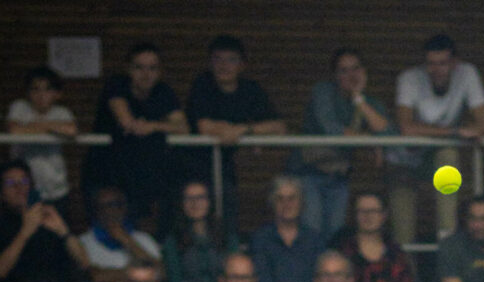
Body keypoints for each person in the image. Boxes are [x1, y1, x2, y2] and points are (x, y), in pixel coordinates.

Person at [394, 35, 484, 244]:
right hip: (404, 160)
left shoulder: (467, 73)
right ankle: (406, 262)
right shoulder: (409, 78)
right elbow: (406, 128)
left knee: (448, 156)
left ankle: (447, 239)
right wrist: (454, 132)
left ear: (455, 63)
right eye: (431, 64)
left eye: (442, 63)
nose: (436, 69)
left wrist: (465, 130)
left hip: (440, 156)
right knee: (403, 235)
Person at [185, 35, 286, 234]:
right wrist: (234, 130)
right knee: (190, 222)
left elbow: (279, 127)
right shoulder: (203, 84)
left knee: (228, 216)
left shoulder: (250, 90)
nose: (224, 66)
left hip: (224, 165)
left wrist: (244, 130)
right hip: (191, 166)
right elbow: (204, 126)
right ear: (210, 64)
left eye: (231, 60)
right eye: (218, 59)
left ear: (242, 65)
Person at [294, 49, 393, 241]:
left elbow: (387, 133)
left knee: (335, 235)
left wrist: (359, 99)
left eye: (355, 69)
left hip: (339, 177)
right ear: (335, 75)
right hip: (309, 173)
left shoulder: (367, 102)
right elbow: (332, 129)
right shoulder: (323, 91)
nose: (351, 75)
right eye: (344, 70)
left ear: (363, 72)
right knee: (312, 232)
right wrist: (370, 141)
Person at [89, 43, 186, 229]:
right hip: (106, 174)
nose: (146, 74)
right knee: (107, 231)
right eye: (139, 67)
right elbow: (127, 122)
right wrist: (156, 126)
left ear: (160, 71)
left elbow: (183, 127)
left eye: (152, 68)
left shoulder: (163, 91)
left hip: (141, 177)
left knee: (143, 231)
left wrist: (153, 126)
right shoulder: (116, 85)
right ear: (128, 69)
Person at [251, 176, 324, 282]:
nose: (286, 204)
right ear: (272, 203)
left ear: (302, 202)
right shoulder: (261, 239)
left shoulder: (314, 240)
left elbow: (319, 279)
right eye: (280, 199)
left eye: (292, 198)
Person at [78, 188, 163, 282]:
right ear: (96, 211)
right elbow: (96, 278)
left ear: (125, 208)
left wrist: (126, 240)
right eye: (104, 206)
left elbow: (161, 273)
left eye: (116, 204)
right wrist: (141, 275)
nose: (111, 211)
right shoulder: (83, 242)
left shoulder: (143, 239)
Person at [5, 66, 76, 215]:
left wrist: (34, 126)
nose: (41, 95)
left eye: (47, 89)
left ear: (57, 94)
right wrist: (52, 127)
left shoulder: (62, 112)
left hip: (56, 188)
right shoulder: (20, 107)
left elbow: (71, 130)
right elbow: (14, 130)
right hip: (24, 189)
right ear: (28, 92)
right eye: (35, 89)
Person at [161, 182, 235, 282]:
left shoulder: (226, 236)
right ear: (182, 204)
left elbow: (237, 271)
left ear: (209, 202)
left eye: (200, 197)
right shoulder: (173, 242)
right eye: (189, 198)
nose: (195, 203)